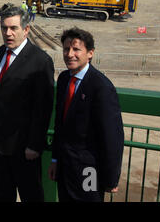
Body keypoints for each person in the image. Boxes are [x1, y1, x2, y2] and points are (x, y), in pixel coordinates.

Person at [48, 28, 124, 202]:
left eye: (76, 49)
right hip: (65, 168)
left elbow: (112, 137)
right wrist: (55, 159)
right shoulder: (64, 79)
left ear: (90, 53)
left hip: (89, 170)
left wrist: (111, 178)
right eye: (66, 49)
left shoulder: (101, 87)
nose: (70, 54)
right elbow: (60, 124)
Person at [0, 3, 54, 202]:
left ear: (26, 30)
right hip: (0, 144)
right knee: (2, 195)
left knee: (31, 195)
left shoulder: (40, 61)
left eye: (13, 28)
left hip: (24, 147)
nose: (7, 33)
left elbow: (43, 107)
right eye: (4, 28)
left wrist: (34, 145)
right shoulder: (2, 52)